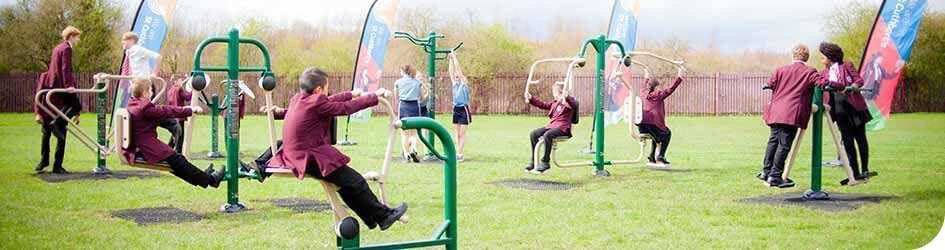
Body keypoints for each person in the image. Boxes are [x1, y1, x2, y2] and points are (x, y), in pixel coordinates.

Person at [252, 67, 407, 230]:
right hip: (309, 157)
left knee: (347, 185)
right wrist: (373, 97)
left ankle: (373, 218)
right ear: (318, 90)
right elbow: (345, 108)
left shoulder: (298, 99)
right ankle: (384, 217)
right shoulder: (318, 102)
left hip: (293, 154)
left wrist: (351, 94)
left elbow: (330, 100)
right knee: (356, 181)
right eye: (326, 88)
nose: (327, 92)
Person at [759, 44, 837, 188]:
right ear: (807, 57)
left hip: (775, 111)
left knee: (773, 141)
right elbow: (822, 83)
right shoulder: (809, 71)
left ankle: (766, 172)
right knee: (784, 145)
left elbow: (770, 84)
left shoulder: (781, 70)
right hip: (791, 113)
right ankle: (775, 176)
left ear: (793, 56)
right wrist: (837, 85)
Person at [125, 78, 225, 188]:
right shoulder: (145, 108)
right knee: (177, 161)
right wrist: (190, 110)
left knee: (176, 164)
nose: (152, 93)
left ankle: (203, 176)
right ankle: (211, 180)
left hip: (138, 148)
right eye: (150, 90)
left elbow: (162, 110)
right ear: (144, 93)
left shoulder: (133, 104)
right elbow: (166, 111)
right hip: (147, 149)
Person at [818, 42, 876, 185]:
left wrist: (853, 87)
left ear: (830, 58)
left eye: (823, 57)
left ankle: (865, 170)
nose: (822, 60)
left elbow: (859, 80)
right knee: (848, 143)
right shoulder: (823, 73)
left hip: (854, 108)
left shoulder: (847, 66)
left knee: (860, 138)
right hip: (839, 112)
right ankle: (854, 174)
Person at [33, 26, 82, 174]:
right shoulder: (66, 48)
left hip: (56, 91)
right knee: (75, 107)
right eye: (78, 37)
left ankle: (56, 165)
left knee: (66, 121)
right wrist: (69, 86)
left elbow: (60, 68)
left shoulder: (57, 48)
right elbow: (65, 68)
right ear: (72, 36)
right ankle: (50, 162)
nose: (78, 40)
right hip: (59, 90)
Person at [524, 83, 579, 174]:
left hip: (563, 128)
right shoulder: (555, 103)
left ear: (560, 93)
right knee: (533, 134)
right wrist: (531, 98)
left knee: (548, 135)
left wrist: (567, 97)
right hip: (552, 126)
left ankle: (545, 162)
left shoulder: (568, 101)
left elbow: (574, 104)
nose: (554, 94)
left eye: (555, 92)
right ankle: (534, 162)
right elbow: (543, 105)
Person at [638, 68, 684, 165]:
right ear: (655, 87)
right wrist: (679, 76)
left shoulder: (643, 93)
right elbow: (671, 89)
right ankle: (661, 156)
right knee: (667, 133)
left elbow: (643, 85)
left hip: (642, 127)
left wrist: (646, 74)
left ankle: (651, 156)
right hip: (653, 124)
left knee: (656, 136)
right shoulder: (658, 95)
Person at [394, 65, 423, 163]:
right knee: (414, 133)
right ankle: (414, 150)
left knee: (404, 134)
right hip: (414, 106)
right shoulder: (418, 82)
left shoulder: (398, 82)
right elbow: (421, 97)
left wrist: (400, 100)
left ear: (403, 71)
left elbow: (396, 96)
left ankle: (406, 155)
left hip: (403, 106)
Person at [448, 52, 471, 162]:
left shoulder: (464, 83)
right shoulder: (454, 84)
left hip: (464, 109)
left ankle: (460, 154)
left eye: (458, 76)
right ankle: (457, 152)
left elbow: (458, 70)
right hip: (456, 109)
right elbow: (450, 71)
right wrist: (450, 59)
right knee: (456, 133)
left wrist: (455, 56)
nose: (456, 76)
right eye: (455, 76)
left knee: (462, 133)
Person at [165, 74, 192, 153]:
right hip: (179, 115)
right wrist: (193, 90)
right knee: (180, 136)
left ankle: (168, 149)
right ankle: (178, 152)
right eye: (180, 80)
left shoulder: (169, 91)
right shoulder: (179, 89)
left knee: (175, 134)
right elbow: (187, 98)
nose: (181, 82)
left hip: (172, 116)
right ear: (175, 81)